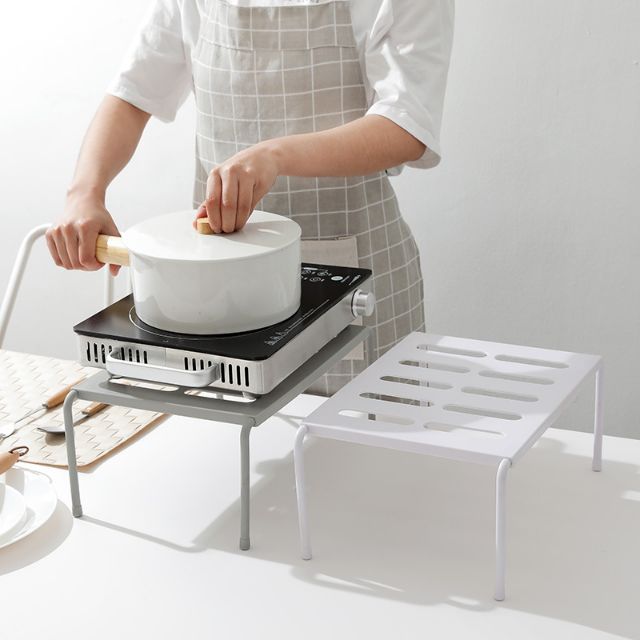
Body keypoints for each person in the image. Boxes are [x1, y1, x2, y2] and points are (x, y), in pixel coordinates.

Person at [46, 0, 454, 396]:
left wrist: (274, 156)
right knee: (231, 438)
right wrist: (84, 193)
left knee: (367, 440)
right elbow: (132, 95)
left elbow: (407, 126)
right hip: (216, 295)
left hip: (354, 282)